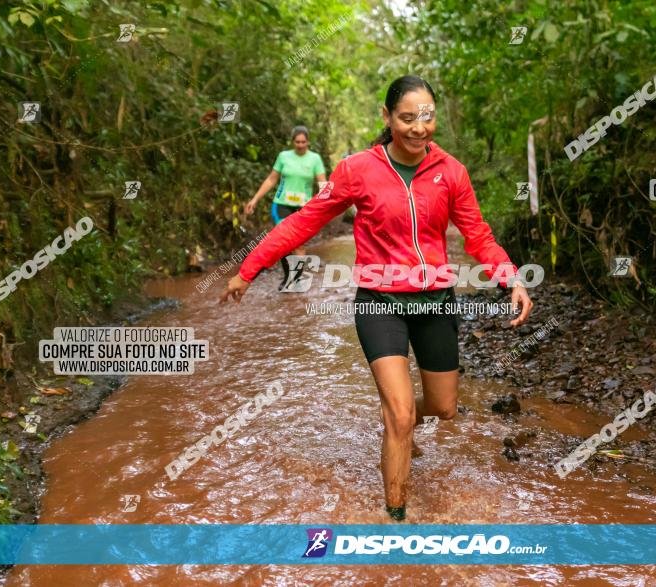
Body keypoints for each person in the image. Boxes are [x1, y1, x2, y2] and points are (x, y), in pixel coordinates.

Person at [221, 75, 533, 521]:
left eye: (427, 117)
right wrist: (248, 270)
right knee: (401, 417)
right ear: (387, 118)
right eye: (407, 118)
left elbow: (477, 234)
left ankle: (400, 415)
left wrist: (511, 280)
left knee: (443, 408)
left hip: (435, 302)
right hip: (379, 303)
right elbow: (302, 223)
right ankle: (396, 518)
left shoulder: (452, 172)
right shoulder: (357, 170)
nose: (419, 127)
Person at [244, 126, 327, 289]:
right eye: (297, 142)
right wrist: (255, 199)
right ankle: (289, 278)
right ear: (292, 142)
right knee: (284, 243)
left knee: (299, 245)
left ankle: (295, 280)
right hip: (281, 205)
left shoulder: (315, 159)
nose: (301, 145)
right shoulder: (284, 157)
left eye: (303, 142)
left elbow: (323, 183)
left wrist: (325, 204)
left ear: (308, 142)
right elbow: (271, 179)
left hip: (303, 208)